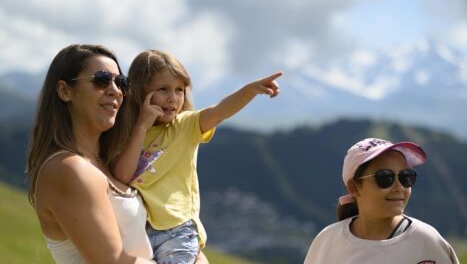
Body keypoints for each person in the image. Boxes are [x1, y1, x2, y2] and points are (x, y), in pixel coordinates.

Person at [111, 49, 281, 263]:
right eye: (163, 89)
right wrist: (142, 127)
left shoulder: (186, 126)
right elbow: (123, 176)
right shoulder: (126, 133)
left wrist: (251, 90)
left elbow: (220, 110)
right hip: (139, 232)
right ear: (139, 91)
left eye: (180, 90)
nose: (173, 98)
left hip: (178, 231)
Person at [26, 44, 154, 263]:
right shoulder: (68, 168)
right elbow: (113, 261)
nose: (115, 90)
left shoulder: (108, 164)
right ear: (65, 91)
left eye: (121, 83)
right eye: (102, 80)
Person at [304, 138, 459, 263]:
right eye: (385, 177)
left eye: (406, 177)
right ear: (354, 188)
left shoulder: (428, 241)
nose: (399, 187)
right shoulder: (327, 241)